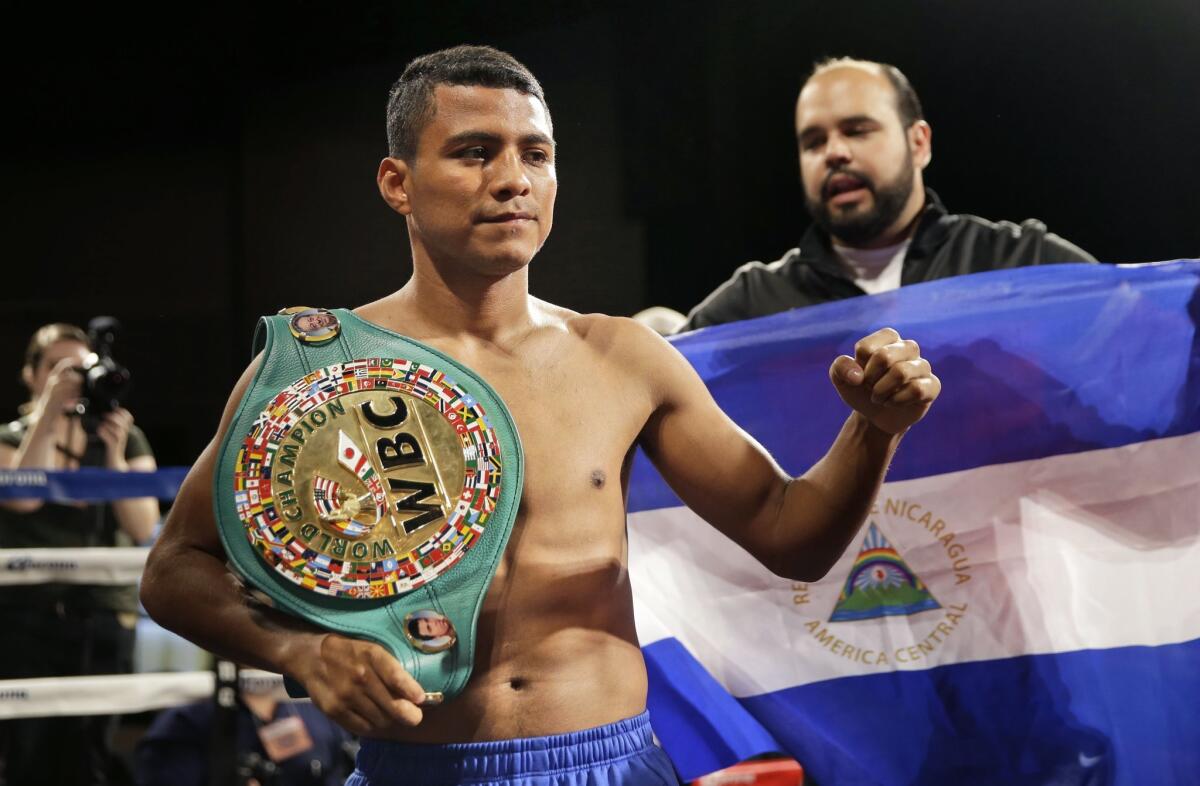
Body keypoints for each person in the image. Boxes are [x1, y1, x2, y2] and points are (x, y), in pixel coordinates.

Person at [140, 46, 942, 786]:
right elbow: (174, 568)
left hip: (609, 762)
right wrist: (301, 650)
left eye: (536, 153)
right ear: (397, 184)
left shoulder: (622, 357)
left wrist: (873, 430)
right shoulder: (319, 367)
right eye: (474, 151)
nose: (513, 178)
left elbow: (789, 533)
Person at [682, 58, 1097, 331]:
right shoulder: (754, 304)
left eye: (857, 131)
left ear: (919, 143)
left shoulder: (1021, 261)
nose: (835, 153)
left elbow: (1141, 339)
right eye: (813, 142)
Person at [0, 322, 160, 786]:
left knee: (91, 756)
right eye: (58, 368)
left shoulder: (125, 436)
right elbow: (25, 496)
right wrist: (48, 413)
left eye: (81, 368)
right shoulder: (10, 437)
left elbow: (142, 526)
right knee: (27, 754)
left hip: (102, 614)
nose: (71, 379)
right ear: (31, 375)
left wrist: (111, 457)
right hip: (25, 617)